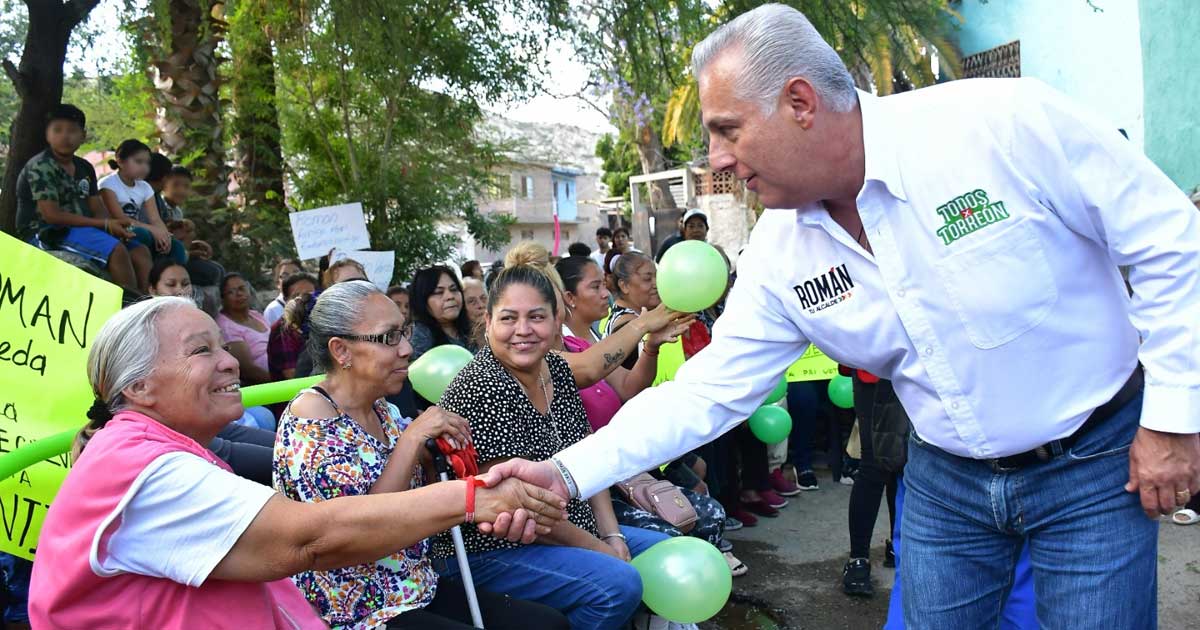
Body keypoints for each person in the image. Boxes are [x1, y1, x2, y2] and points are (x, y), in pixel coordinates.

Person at [482, 5, 1200, 629]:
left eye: (727, 131)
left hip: (1095, 464)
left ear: (799, 101)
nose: (718, 160)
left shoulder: (998, 127)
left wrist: (1173, 419)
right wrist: (564, 474)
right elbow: (708, 392)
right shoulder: (780, 253)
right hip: (947, 482)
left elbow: (1173, 243)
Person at [28, 296, 566, 629]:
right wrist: (474, 498)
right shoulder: (143, 469)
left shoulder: (151, 451)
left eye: (223, 345)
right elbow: (309, 539)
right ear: (139, 386)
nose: (228, 361)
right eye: (201, 351)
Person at [273, 281, 569, 629]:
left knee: (548, 625)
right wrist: (413, 440)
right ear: (341, 350)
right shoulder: (312, 422)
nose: (406, 349)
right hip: (359, 610)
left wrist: (441, 460)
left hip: (417, 587)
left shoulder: (383, 409)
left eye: (404, 332)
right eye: (389, 338)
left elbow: (424, 500)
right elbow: (362, 532)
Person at [434, 264, 670, 630]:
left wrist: (612, 534)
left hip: (569, 525)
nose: (523, 331)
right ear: (489, 321)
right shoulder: (482, 385)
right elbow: (524, 509)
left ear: (556, 318)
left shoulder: (555, 369)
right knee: (617, 585)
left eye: (536, 317)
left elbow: (587, 460)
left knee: (666, 552)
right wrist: (604, 552)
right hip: (495, 548)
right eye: (509, 318)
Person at [556, 255, 743, 577]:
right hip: (597, 477)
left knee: (710, 512)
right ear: (568, 298)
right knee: (668, 534)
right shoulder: (554, 352)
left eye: (605, 284)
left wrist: (652, 347)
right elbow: (586, 369)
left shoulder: (594, 338)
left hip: (624, 465)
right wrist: (644, 324)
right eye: (596, 286)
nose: (606, 293)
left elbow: (629, 388)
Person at [14, 104, 141, 293]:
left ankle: (149, 300)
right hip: (46, 232)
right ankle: (130, 309)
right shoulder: (41, 166)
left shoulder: (84, 167)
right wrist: (104, 225)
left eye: (72, 131)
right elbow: (52, 215)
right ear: (47, 134)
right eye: (57, 130)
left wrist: (113, 225)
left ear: (83, 135)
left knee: (140, 251)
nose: (65, 136)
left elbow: (97, 207)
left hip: (80, 230)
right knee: (117, 251)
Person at [99, 139, 186, 271]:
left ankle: (168, 281)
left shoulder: (145, 187)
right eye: (139, 162)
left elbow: (155, 219)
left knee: (176, 247)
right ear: (120, 161)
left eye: (147, 163)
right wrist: (154, 230)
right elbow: (121, 219)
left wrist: (164, 235)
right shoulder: (108, 184)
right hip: (116, 230)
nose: (144, 167)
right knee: (141, 234)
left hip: (137, 228)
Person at [409, 266, 476, 363]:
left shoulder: (472, 328)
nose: (450, 296)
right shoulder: (420, 337)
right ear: (422, 300)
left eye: (453, 289)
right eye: (439, 292)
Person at [217, 273, 272, 385]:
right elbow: (248, 370)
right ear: (223, 298)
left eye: (242, 288)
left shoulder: (256, 315)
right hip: (267, 386)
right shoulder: (226, 326)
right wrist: (283, 382)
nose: (239, 294)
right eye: (231, 292)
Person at [268, 272, 319, 381]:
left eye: (309, 294)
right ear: (286, 301)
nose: (302, 300)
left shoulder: (320, 323)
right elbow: (291, 375)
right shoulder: (281, 330)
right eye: (296, 296)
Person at [264, 258, 305, 326]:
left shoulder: (310, 301)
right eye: (285, 276)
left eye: (296, 273)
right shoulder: (272, 310)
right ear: (278, 283)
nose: (291, 278)